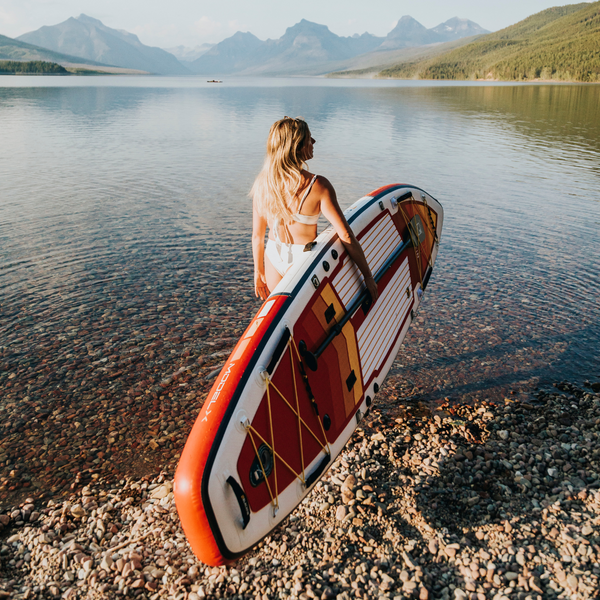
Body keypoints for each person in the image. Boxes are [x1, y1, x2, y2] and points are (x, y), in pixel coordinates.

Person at [250, 116, 378, 303]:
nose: (314, 142)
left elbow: (257, 236)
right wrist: (367, 275)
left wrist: (258, 272)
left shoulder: (263, 184)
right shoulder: (318, 185)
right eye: (310, 138)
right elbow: (346, 235)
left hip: (273, 256)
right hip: (303, 260)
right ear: (298, 146)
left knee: (281, 312)